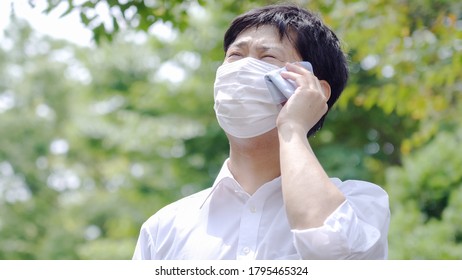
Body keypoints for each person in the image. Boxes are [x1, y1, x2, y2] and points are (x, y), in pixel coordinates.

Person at [133, 3, 390, 260]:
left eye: (267, 57)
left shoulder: (359, 204)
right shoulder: (163, 230)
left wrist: (292, 127)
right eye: (235, 56)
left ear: (314, 90)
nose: (241, 69)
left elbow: (331, 247)